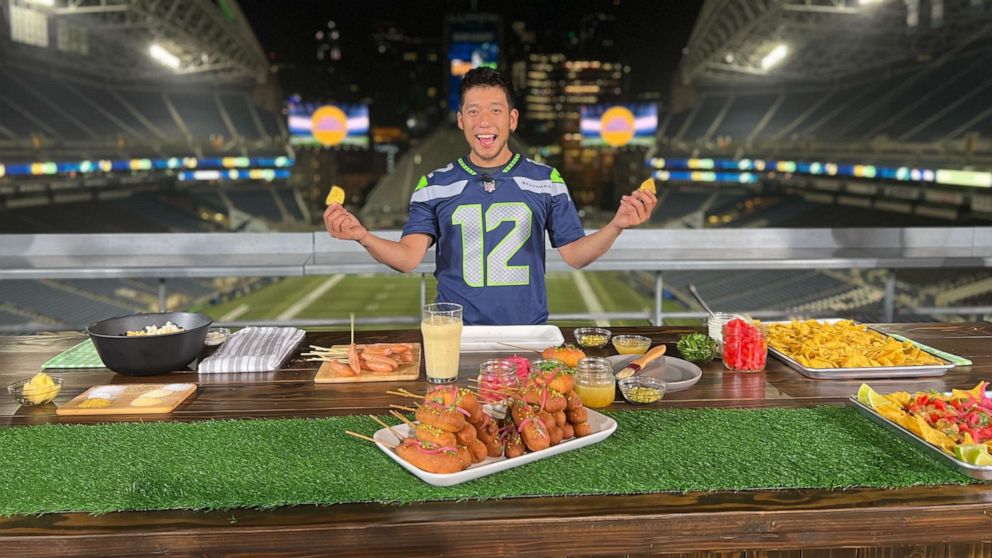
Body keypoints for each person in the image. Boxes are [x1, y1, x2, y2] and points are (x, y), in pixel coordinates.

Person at [324, 68, 657, 325]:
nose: (484, 121)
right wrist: (363, 236)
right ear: (460, 120)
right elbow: (408, 258)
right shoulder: (434, 184)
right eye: (473, 111)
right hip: (458, 334)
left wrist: (616, 225)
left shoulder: (546, 180)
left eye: (495, 110)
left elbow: (575, 255)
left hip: (527, 334)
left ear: (512, 119)